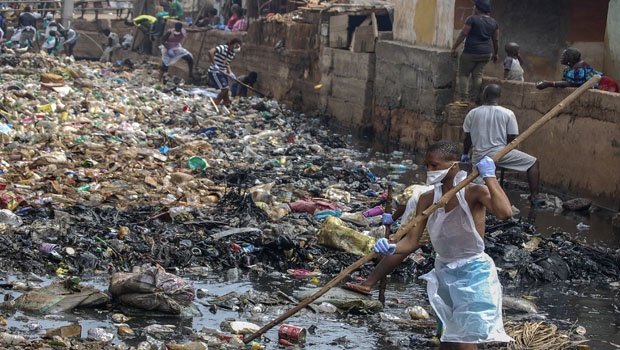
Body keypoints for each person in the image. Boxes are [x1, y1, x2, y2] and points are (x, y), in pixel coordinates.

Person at [373, 140, 514, 348]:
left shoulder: (474, 192)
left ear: (453, 164)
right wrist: (392, 247)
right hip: (444, 272)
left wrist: (490, 177)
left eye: (435, 165)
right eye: (427, 165)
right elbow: (411, 242)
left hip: (474, 273)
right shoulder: (428, 199)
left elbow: (505, 212)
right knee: (449, 338)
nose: (429, 170)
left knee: (467, 339)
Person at [343, 183, 433, 295]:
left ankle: (368, 283)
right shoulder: (430, 193)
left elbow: (403, 206)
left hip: (418, 220)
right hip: (423, 221)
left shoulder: (415, 189)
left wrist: (392, 218)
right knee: (401, 249)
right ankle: (368, 284)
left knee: (400, 249)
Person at [462, 84, 544, 206]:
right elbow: (512, 136)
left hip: (479, 154)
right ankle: (535, 196)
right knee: (533, 163)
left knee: (478, 183)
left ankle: (476, 202)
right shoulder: (507, 113)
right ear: (499, 96)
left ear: (484, 95)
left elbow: (467, 137)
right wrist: (505, 149)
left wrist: (465, 153)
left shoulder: (472, 113)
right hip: (500, 152)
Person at [450, 0, 499, 106]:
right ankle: (474, 100)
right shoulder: (494, 22)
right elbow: (495, 40)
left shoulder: (472, 19)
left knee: (463, 74)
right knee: (477, 76)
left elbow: (463, 33)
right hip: (486, 53)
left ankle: (464, 98)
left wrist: (454, 48)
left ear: (478, 9)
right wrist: (495, 54)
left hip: (470, 51)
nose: (473, 9)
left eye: (474, 7)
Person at [535, 47, 618, 92]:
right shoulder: (568, 68)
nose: (561, 58)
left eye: (563, 56)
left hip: (606, 87)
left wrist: (549, 83)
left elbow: (572, 84)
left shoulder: (579, 68)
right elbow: (564, 82)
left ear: (569, 58)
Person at [207, 38, 242, 105]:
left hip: (223, 73)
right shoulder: (223, 48)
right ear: (232, 44)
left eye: (239, 47)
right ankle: (215, 102)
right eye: (236, 46)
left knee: (226, 89)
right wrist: (214, 64)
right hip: (215, 72)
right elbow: (210, 52)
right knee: (225, 89)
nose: (237, 48)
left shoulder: (232, 53)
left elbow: (227, 63)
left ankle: (226, 102)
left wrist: (230, 72)